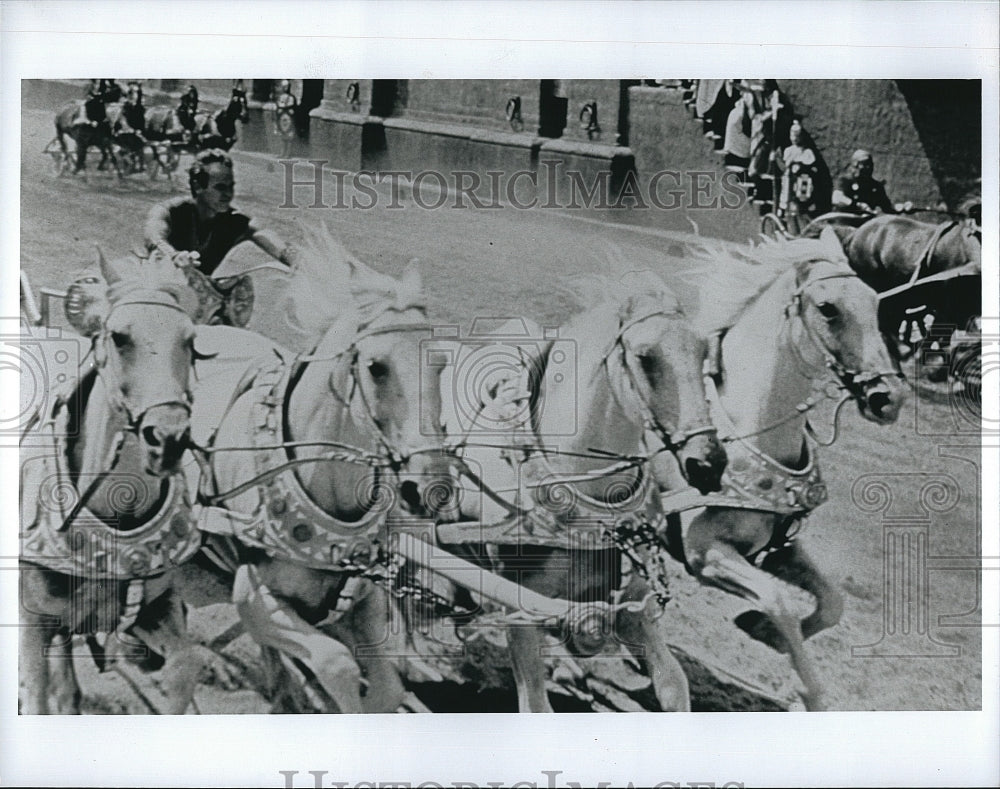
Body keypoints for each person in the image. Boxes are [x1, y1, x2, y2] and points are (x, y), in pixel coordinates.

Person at [143, 149, 295, 277]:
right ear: (197, 186)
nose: (228, 194)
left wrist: (294, 260)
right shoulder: (169, 211)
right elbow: (154, 237)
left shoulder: (236, 221)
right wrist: (174, 256)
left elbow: (266, 235)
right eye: (220, 187)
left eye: (231, 187)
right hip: (158, 289)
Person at [832, 149, 910, 215]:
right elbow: (837, 198)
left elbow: (888, 207)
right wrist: (857, 205)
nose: (868, 167)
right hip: (843, 223)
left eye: (870, 164)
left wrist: (902, 207)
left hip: (865, 225)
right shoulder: (845, 180)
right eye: (864, 164)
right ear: (855, 165)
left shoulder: (875, 186)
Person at [273, 79, 299, 159]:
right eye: (284, 86)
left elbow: (293, 107)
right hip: (281, 118)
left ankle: (288, 153)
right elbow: (278, 106)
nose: (285, 88)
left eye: (287, 86)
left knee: (289, 136)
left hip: (289, 119)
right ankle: (282, 153)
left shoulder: (292, 97)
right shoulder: (280, 97)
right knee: (282, 136)